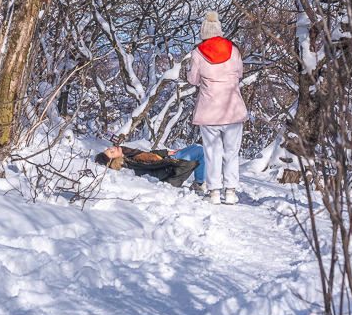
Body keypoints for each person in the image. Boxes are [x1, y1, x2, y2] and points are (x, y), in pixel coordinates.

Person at [187, 11, 248, 205]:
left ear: (204, 33)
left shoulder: (198, 53)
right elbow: (239, 73)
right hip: (232, 108)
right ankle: (230, 191)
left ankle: (214, 192)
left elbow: (193, 80)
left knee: (212, 152)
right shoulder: (234, 49)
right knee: (231, 152)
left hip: (209, 110)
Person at [94, 145, 200, 188]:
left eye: (109, 149)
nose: (113, 149)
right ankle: (200, 183)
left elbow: (148, 156)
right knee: (201, 152)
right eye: (111, 153)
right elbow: (154, 172)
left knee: (197, 146)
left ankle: (200, 182)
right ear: (114, 160)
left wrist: (166, 153)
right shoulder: (129, 164)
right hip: (171, 170)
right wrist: (172, 163)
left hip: (167, 161)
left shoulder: (127, 154)